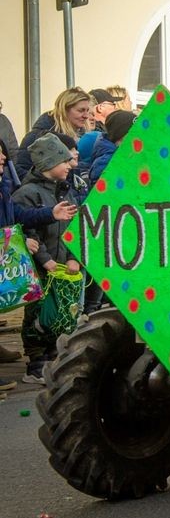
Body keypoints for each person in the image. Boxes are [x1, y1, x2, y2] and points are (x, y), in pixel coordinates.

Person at [0, 139, 77, 383]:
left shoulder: (64, 190)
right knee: (36, 314)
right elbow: (26, 227)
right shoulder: (27, 192)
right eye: (64, 160)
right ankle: (35, 359)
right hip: (41, 266)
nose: (70, 164)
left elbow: (73, 226)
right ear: (49, 161)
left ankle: (54, 352)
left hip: (61, 262)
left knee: (59, 311)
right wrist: (43, 258)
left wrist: (74, 256)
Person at [14, 87, 92, 180]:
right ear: (64, 110)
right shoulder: (38, 137)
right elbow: (22, 169)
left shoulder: (85, 137)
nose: (86, 116)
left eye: (87, 111)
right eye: (81, 110)